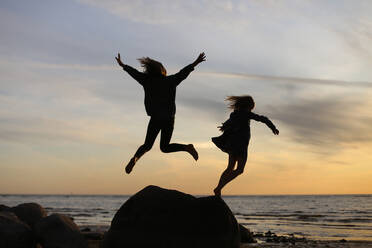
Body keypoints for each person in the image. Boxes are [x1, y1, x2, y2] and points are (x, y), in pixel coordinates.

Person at [115, 52, 206, 174]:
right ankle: (187, 147)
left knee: (147, 145)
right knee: (165, 147)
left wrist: (123, 65)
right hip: (168, 118)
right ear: (162, 70)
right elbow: (183, 73)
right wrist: (195, 62)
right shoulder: (170, 80)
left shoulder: (147, 80)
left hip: (156, 118)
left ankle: (135, 158)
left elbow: (134, 73)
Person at [212, 95, 279, 196]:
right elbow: (263, 119)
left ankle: (218, 188)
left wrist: (224, 126)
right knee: (239, 170)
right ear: (248, 106)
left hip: (233, 145)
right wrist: (273, 127)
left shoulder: (234, 114)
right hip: (241, 145)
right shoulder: (246, 114)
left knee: (230, 168)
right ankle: (218, 188)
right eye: (252, 105)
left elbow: (228, 123)